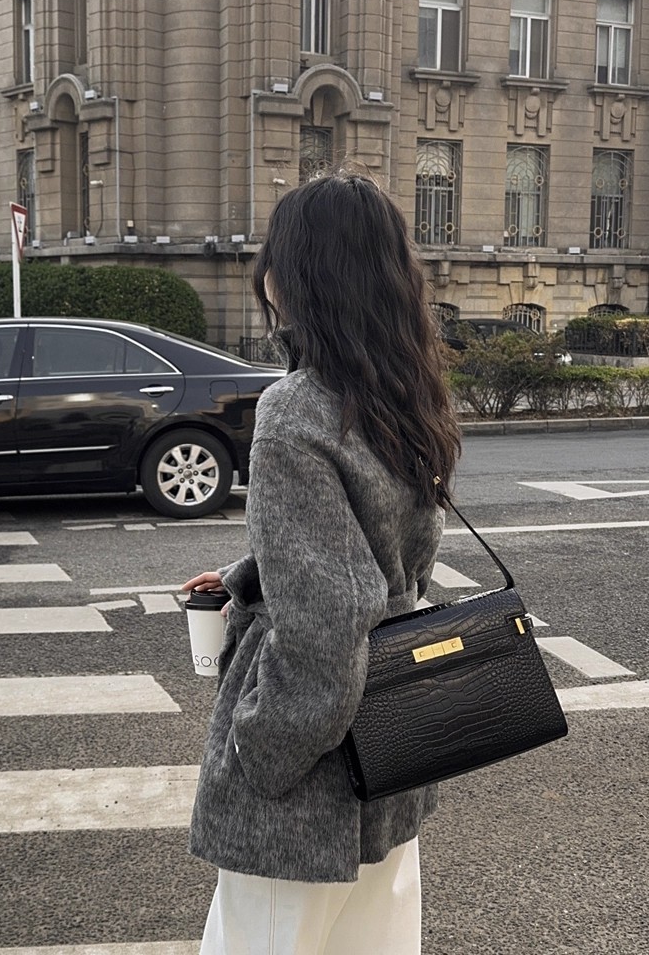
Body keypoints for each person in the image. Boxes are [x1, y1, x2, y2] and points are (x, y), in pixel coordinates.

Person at [183, 170, 461, 955]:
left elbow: (331, 623)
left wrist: (260, 750)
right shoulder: (407, 396)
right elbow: (384, 556)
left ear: (298, 273)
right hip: (393, 745)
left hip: (309, 790)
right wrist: (251, 575)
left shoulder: (296, 409)